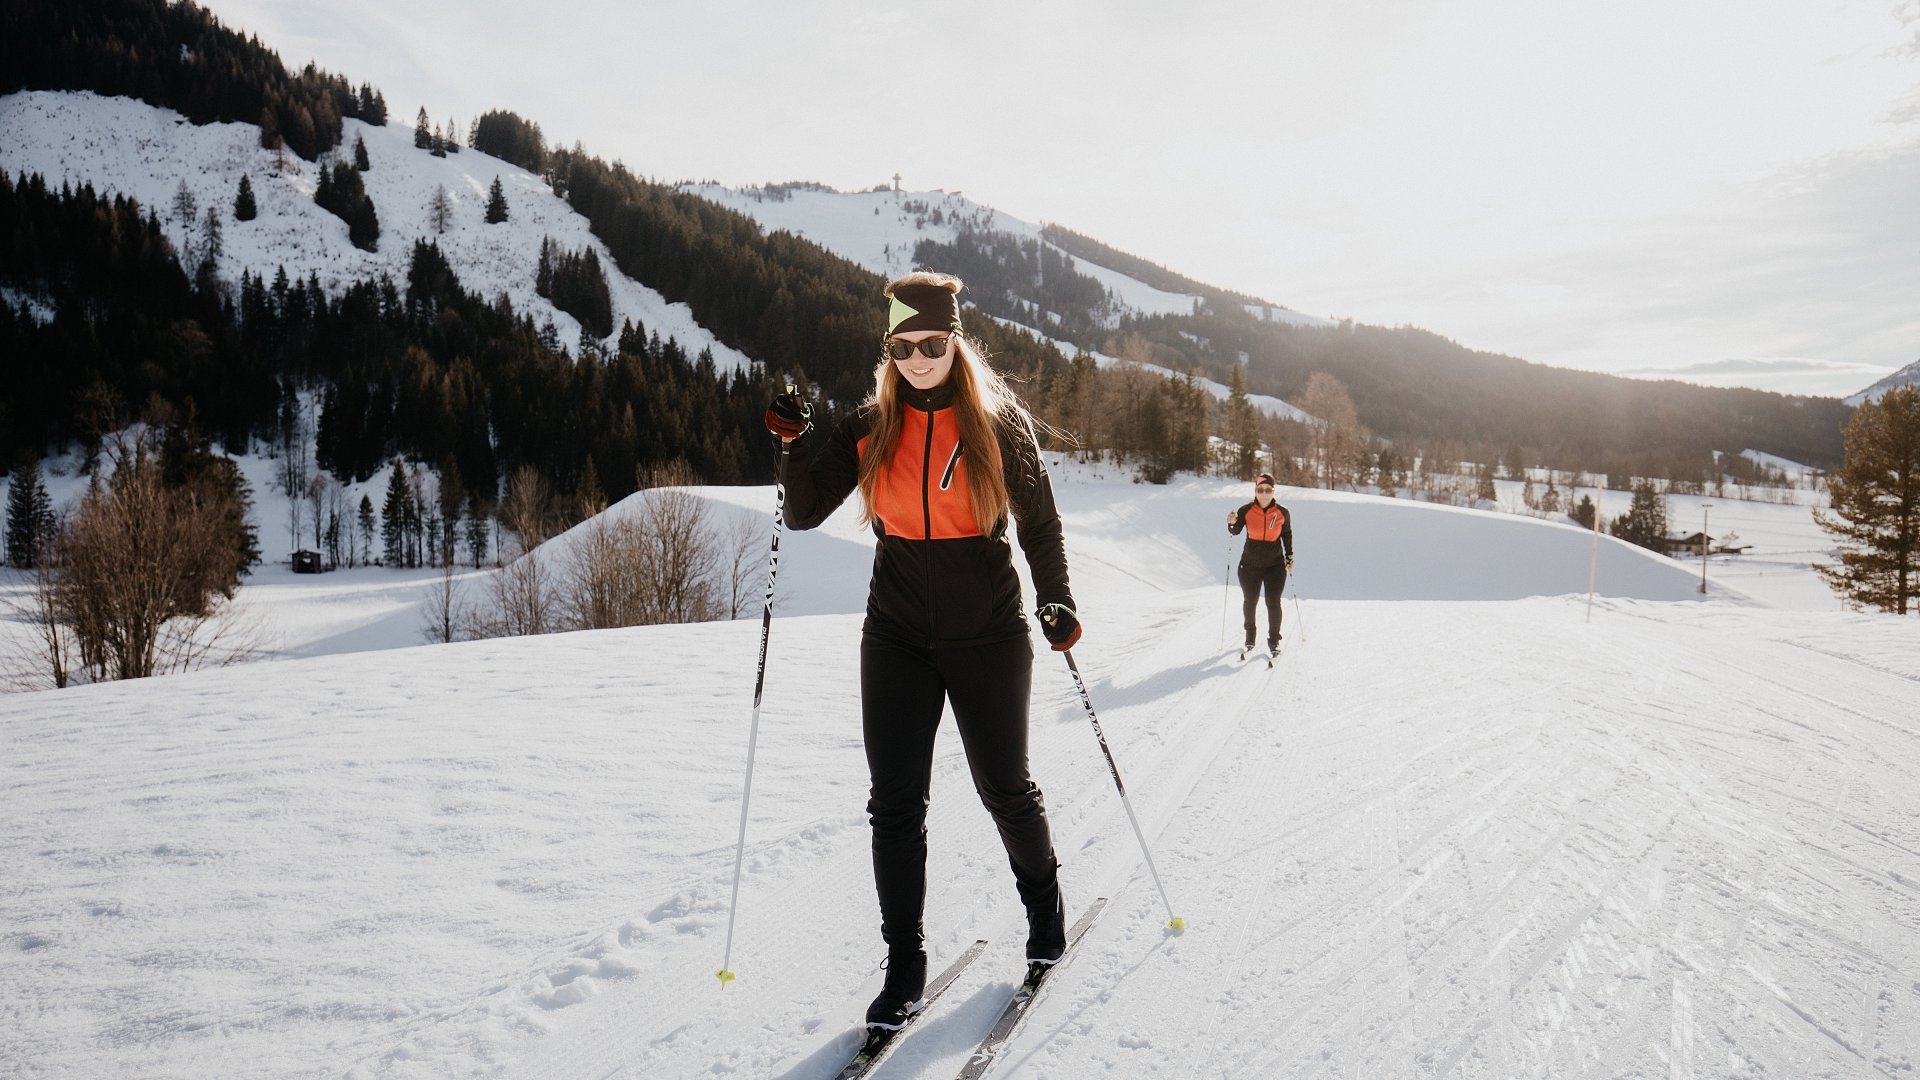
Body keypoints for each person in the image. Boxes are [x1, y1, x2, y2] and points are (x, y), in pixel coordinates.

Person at [763, 271, 1080, 1031]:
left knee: (1005, 787)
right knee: (895, 803)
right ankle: (905, 961)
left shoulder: (1000, 427)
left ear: (955, 340)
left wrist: (1056, 599)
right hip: (897, 634)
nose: (917, 359)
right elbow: (803, 512)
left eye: (932, 343)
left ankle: (1044, 906)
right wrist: (795, 441)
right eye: (901, 346)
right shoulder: (870, 425)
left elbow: (1040, 528)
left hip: (990, 634)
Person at [1226, 473, 1294, 659]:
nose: (1264, 494)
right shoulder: (1246, 510)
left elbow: (1286, 536)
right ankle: (1250, 637)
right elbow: (1235, 530)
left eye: (1268, 490)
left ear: (1273, 491)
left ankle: (1274, 641)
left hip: (1275, 565)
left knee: (1273, 601)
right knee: (1250, 601)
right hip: (1250, 565)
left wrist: (1289, 558)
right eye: (1260, 490)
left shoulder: (1282, 512)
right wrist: (1231, 523)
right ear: (1255, 491)